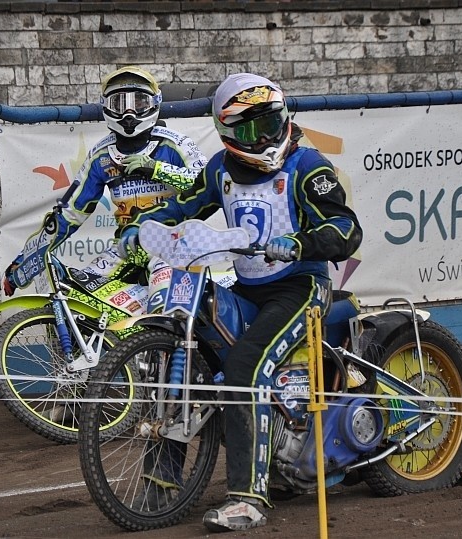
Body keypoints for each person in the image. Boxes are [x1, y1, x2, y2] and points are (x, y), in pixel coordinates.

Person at [119, 73, 363, 532]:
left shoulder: (308, 165)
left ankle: (247, 500)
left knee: (246, 369)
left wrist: (301, 242)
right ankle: (161, 480)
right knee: (195, 363)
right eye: (252, 129)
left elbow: (346, 229)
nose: (266, 136)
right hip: (248, 289)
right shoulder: (219, 170)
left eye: (272, 122)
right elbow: (184, 206)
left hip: (301, 288)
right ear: (229, 132)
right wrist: (142, 227)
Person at [2, 65, 208, 314]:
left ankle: (167, 348)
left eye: (139, 102)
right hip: (128, 246)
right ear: (105, 106)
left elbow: (206, 186)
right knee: (76, 298)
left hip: (174, 244)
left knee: (163, 304)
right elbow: (68, 214)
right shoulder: (100, 156)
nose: (129, 112)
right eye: (119, 103)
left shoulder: (175, 144)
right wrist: (21, 265)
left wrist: (155, 168)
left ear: (155, 103)